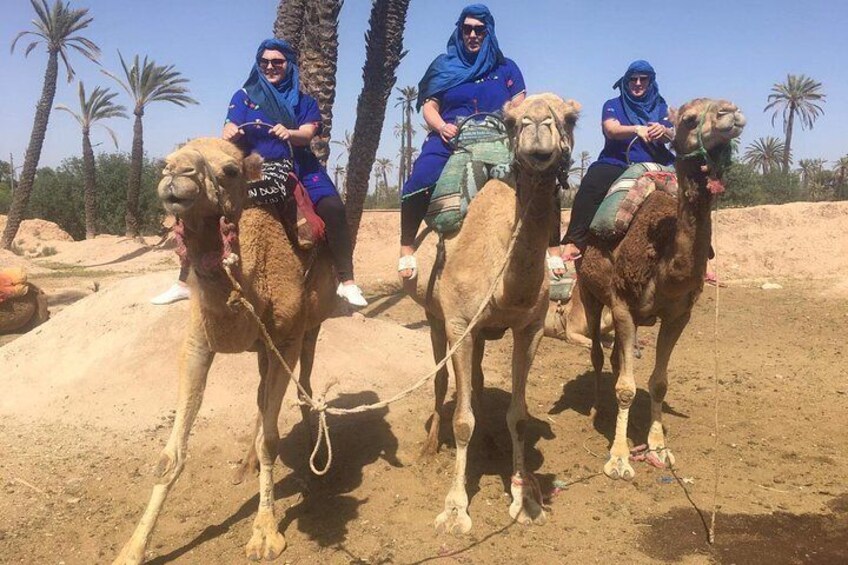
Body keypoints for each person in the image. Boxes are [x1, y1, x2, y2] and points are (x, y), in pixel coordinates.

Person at [398, 4, 564, 279]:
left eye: (479, 29)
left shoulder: (507, 67)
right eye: (467, 29)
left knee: (545, 177)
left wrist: (507, 115)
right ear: (460, 32)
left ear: (489, 32)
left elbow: (518, 104)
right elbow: (430, 107)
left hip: (498, 135)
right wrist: (441, 126)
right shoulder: (444, 65)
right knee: (420, 179)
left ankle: (554, 250)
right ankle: (406, 249)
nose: (473, 35)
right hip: (451, 136)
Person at [222, 38, 367, 307]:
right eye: (264, 62)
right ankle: (188, 279)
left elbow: (308, 134)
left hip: (300, 163)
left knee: (333, 208)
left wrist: (290, 133)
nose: (270, 67)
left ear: (289, 65)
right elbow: (228, 127)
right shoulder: (244, 96)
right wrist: (229, 131)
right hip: (255, 164)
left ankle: (347, 281)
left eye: (277, 62)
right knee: (212, 206)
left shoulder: (304, 102)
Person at [560, 60, 675, 264]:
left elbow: (671, 135)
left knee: (695, 189)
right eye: (633, 79)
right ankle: (575, 240)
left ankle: (701, 255)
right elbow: (611, 129)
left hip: (656, 161)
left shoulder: (662, 108)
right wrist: (635, 129)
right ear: (626, 81)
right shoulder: (613, 105)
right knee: (592, 183)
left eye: (643, 79)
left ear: (650, 81)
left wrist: (663, 131)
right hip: (618, 161)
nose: (638, 83)